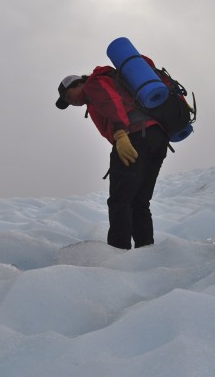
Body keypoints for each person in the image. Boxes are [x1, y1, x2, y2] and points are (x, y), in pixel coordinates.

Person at [55, 56, 169, 250]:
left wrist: (120, 134)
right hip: (157, 137)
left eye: (68, 95)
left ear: (78, 83)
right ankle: (146, 251)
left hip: (133, 136)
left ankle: (118, 253)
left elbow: (112, 103)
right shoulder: (109, 82)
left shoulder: (93, 84)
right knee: (140, 201)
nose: (70, 102)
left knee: (119, 200)